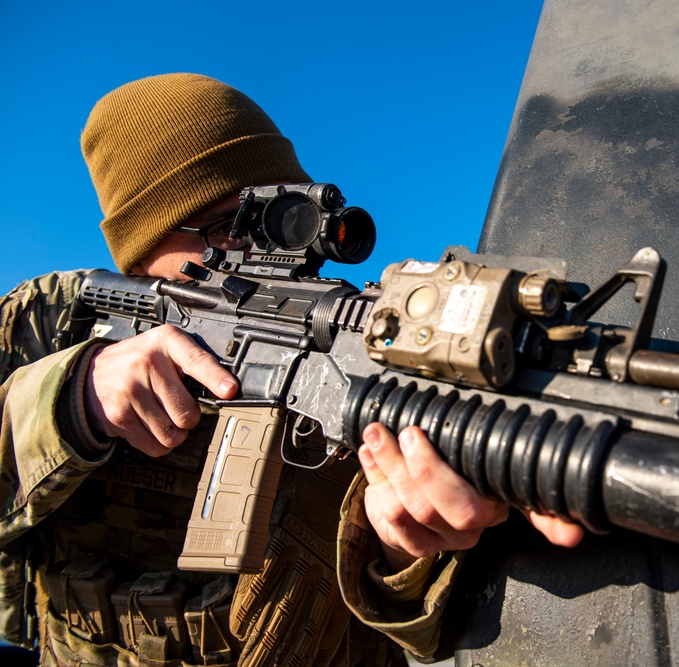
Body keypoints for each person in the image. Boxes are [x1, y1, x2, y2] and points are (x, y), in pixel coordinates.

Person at [0, 73, 581, 667]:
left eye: (280, 212)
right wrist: (71, 401)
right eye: (220, 225)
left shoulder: (361, 345)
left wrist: (394, 550)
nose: (260, 250)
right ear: (144, 248)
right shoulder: (47, 325)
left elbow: (435, 637)